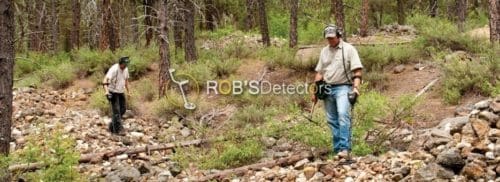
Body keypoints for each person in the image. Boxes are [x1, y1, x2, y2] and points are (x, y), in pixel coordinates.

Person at [312, 25, 363, 159]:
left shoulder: (349, 49)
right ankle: (337, 150)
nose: (330, 41)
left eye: (332, 38)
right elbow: (319, 72)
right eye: (328, 38)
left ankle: (345, 149)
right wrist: (315, 92)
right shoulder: (324, 51)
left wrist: (356, 88)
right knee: (332, 120)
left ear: (339, 36)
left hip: (343, 87)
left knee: (342, 115)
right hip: (327, 88)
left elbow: (357, 70)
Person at [103, 57, 130, 134]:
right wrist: (106, 91)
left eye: (126, 64)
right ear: (120, 63)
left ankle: (112, 125)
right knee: (116, 111)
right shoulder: (114, 69)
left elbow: (126, 81)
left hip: (121, 91)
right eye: (124, 64)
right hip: (113, 92)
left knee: (123, 109)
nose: (125, 66)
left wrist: (129, 92)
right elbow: (105, 80)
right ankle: (118, 130)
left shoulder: (126, 69)